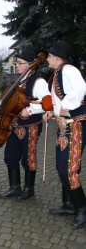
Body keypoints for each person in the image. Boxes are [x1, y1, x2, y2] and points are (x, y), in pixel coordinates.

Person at [0, 48, 51, 200]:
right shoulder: (20, 80)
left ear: (30, 65)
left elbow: (47, 103)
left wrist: (30, 109)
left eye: (20, 63)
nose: (18, 66)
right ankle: (14, 187)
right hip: (14, 126)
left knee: (29, 158)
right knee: (10, 156)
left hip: (30, 127)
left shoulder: (38, 81)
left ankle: (29, 189)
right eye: (17, 63)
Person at [44, 40, 86, 229]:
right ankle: (69, 204)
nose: (47, 59)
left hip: (74, 126)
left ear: (56, 58)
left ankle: (82, 209)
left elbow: (79, 90)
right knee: (62, 167)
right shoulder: (58, 73)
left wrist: (65, 109)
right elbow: (59, 100)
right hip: (64, 126)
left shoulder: (69, 70)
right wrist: (52, 112)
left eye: (49, 56)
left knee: (68, 169)